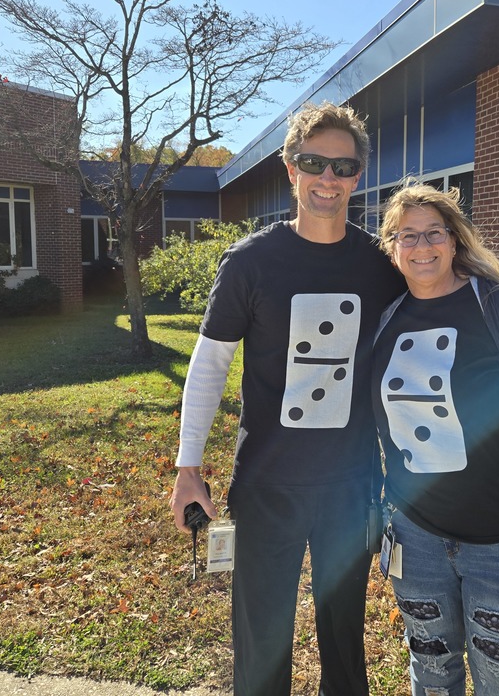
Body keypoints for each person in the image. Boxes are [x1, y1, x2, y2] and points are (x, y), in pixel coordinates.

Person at [169, 101, 405, 696]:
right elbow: (210, 364)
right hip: (267, 483)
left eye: (344, 166)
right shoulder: (250, 263)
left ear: (359, 176)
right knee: (261, 643)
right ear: (289, 167)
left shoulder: (382, 268)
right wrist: (187, 468)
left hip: (352, 486)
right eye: (313, 162)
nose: (329, 177)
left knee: (345, 647)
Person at [372, 183, 499, 696]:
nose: (422, 247)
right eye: (407, 236)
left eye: (433, 233)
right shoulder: (385, 322)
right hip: (416, 541)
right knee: (431, 677)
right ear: (392, 248)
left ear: (454, 240)